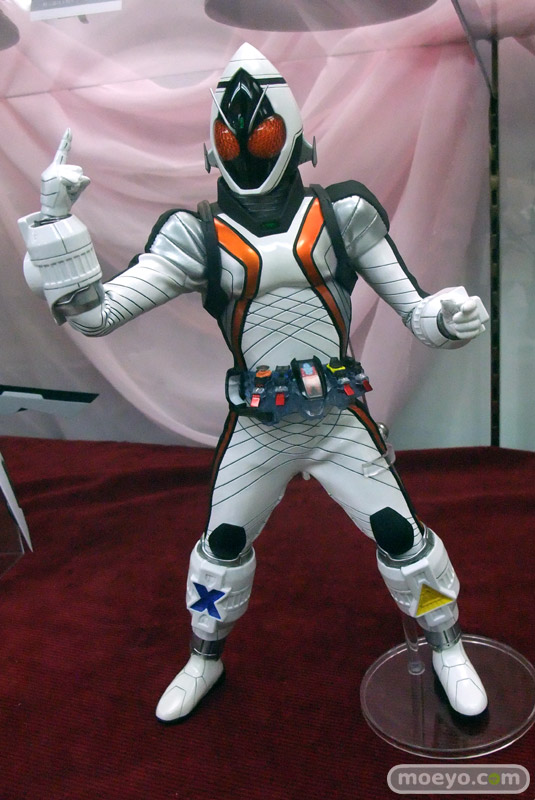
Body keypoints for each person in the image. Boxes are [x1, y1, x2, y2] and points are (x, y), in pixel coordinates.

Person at [19, 43, 489, 722]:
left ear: (291, 137)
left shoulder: (342, 215)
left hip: (337, 419)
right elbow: (95, 315)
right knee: (220, 549)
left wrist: (447, 318)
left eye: (260, 135)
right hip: (259, 428)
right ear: (214, 145)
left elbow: (416, 311)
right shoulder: (195, 236)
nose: (245, 149)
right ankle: (203, 656)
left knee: (401, 536)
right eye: (234, 137)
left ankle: (446, 644)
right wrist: (58, 222)